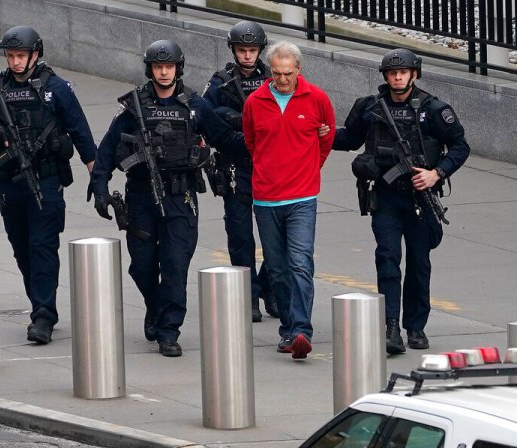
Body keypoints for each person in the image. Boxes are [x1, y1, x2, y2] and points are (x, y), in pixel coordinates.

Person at [91, 40, 246, 358]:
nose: (164, 72)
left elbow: (224, 138)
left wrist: (262, 138)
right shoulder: (134, 106)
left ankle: (168, 330)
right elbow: (107, 149)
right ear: (150, 69)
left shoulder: (193, 105)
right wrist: (101, 188)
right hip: (141, 196)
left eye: (169, 67)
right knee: (143, 265)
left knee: (175, 265)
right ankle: (156, 307)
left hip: (181, 196)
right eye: (159, 67)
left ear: (178, 68)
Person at [0, 26, 97, 344]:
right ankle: (40, 301)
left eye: (21, 56)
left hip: (47, 181)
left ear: (35, 54)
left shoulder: (57, 88)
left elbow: (81, 133)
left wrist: (98, 178)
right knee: (22, 249)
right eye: (10, 56)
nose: (15, 62)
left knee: (42, 247)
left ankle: (43, 315)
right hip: (10, 183)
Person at [332, 48, 469, 353]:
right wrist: (319, 132)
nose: (397, 77)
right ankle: (390, 325)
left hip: (421, 198)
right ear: (385, 76)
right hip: (386, 198)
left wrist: (437, 174)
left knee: (420, 264)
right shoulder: (370, 108)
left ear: (414, 74)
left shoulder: (434, 109)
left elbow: (460, 146)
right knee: (387, 259)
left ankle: (416, 327)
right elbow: (348, 139)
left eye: (403, 73)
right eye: (392, 73)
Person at [243, 41, 335, 360]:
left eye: (288, 73)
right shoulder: (255, 102)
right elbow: (252, 144)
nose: (282, 79)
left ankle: (300, 331)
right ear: (271, 70)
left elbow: (326, 140)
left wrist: (307, 168)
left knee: (300, 262)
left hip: (302, 198)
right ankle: (287, 328)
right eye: (277, 73)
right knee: (278, 269)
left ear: (299, 69)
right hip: (266, 199)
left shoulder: (317, 99)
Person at [202, 20, 278, 323]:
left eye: (252, 50)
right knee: (240, 236)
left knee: (277, 236)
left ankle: (268, 286)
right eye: (242, 50)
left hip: (271, 167)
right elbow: (205, 116)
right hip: (236, 166)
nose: (247, 55)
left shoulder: (274, 77)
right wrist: (232, 118)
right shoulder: (220, 81)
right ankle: (248, 295)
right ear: (233, 50)